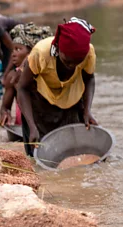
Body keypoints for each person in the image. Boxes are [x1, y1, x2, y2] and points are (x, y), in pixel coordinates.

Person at [17, 17, 97, 156]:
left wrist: (87, 111)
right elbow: (22, 88)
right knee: (41, 154)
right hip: (40, 104)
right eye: (67, 61)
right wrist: (32, 126)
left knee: (75, 151)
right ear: (58, 48)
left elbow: (89, 79)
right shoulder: (41, 53)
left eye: (77, 62)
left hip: (71, 100)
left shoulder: (88, 53)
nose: (72, 66)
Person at [0, 23, 52, 151]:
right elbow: (5, 107)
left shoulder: (46, 74)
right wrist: (5, 114)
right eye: (13, 50)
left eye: (18, 49)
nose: (13, 54)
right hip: (23, 128)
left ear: (32, 53)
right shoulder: (12, 77)